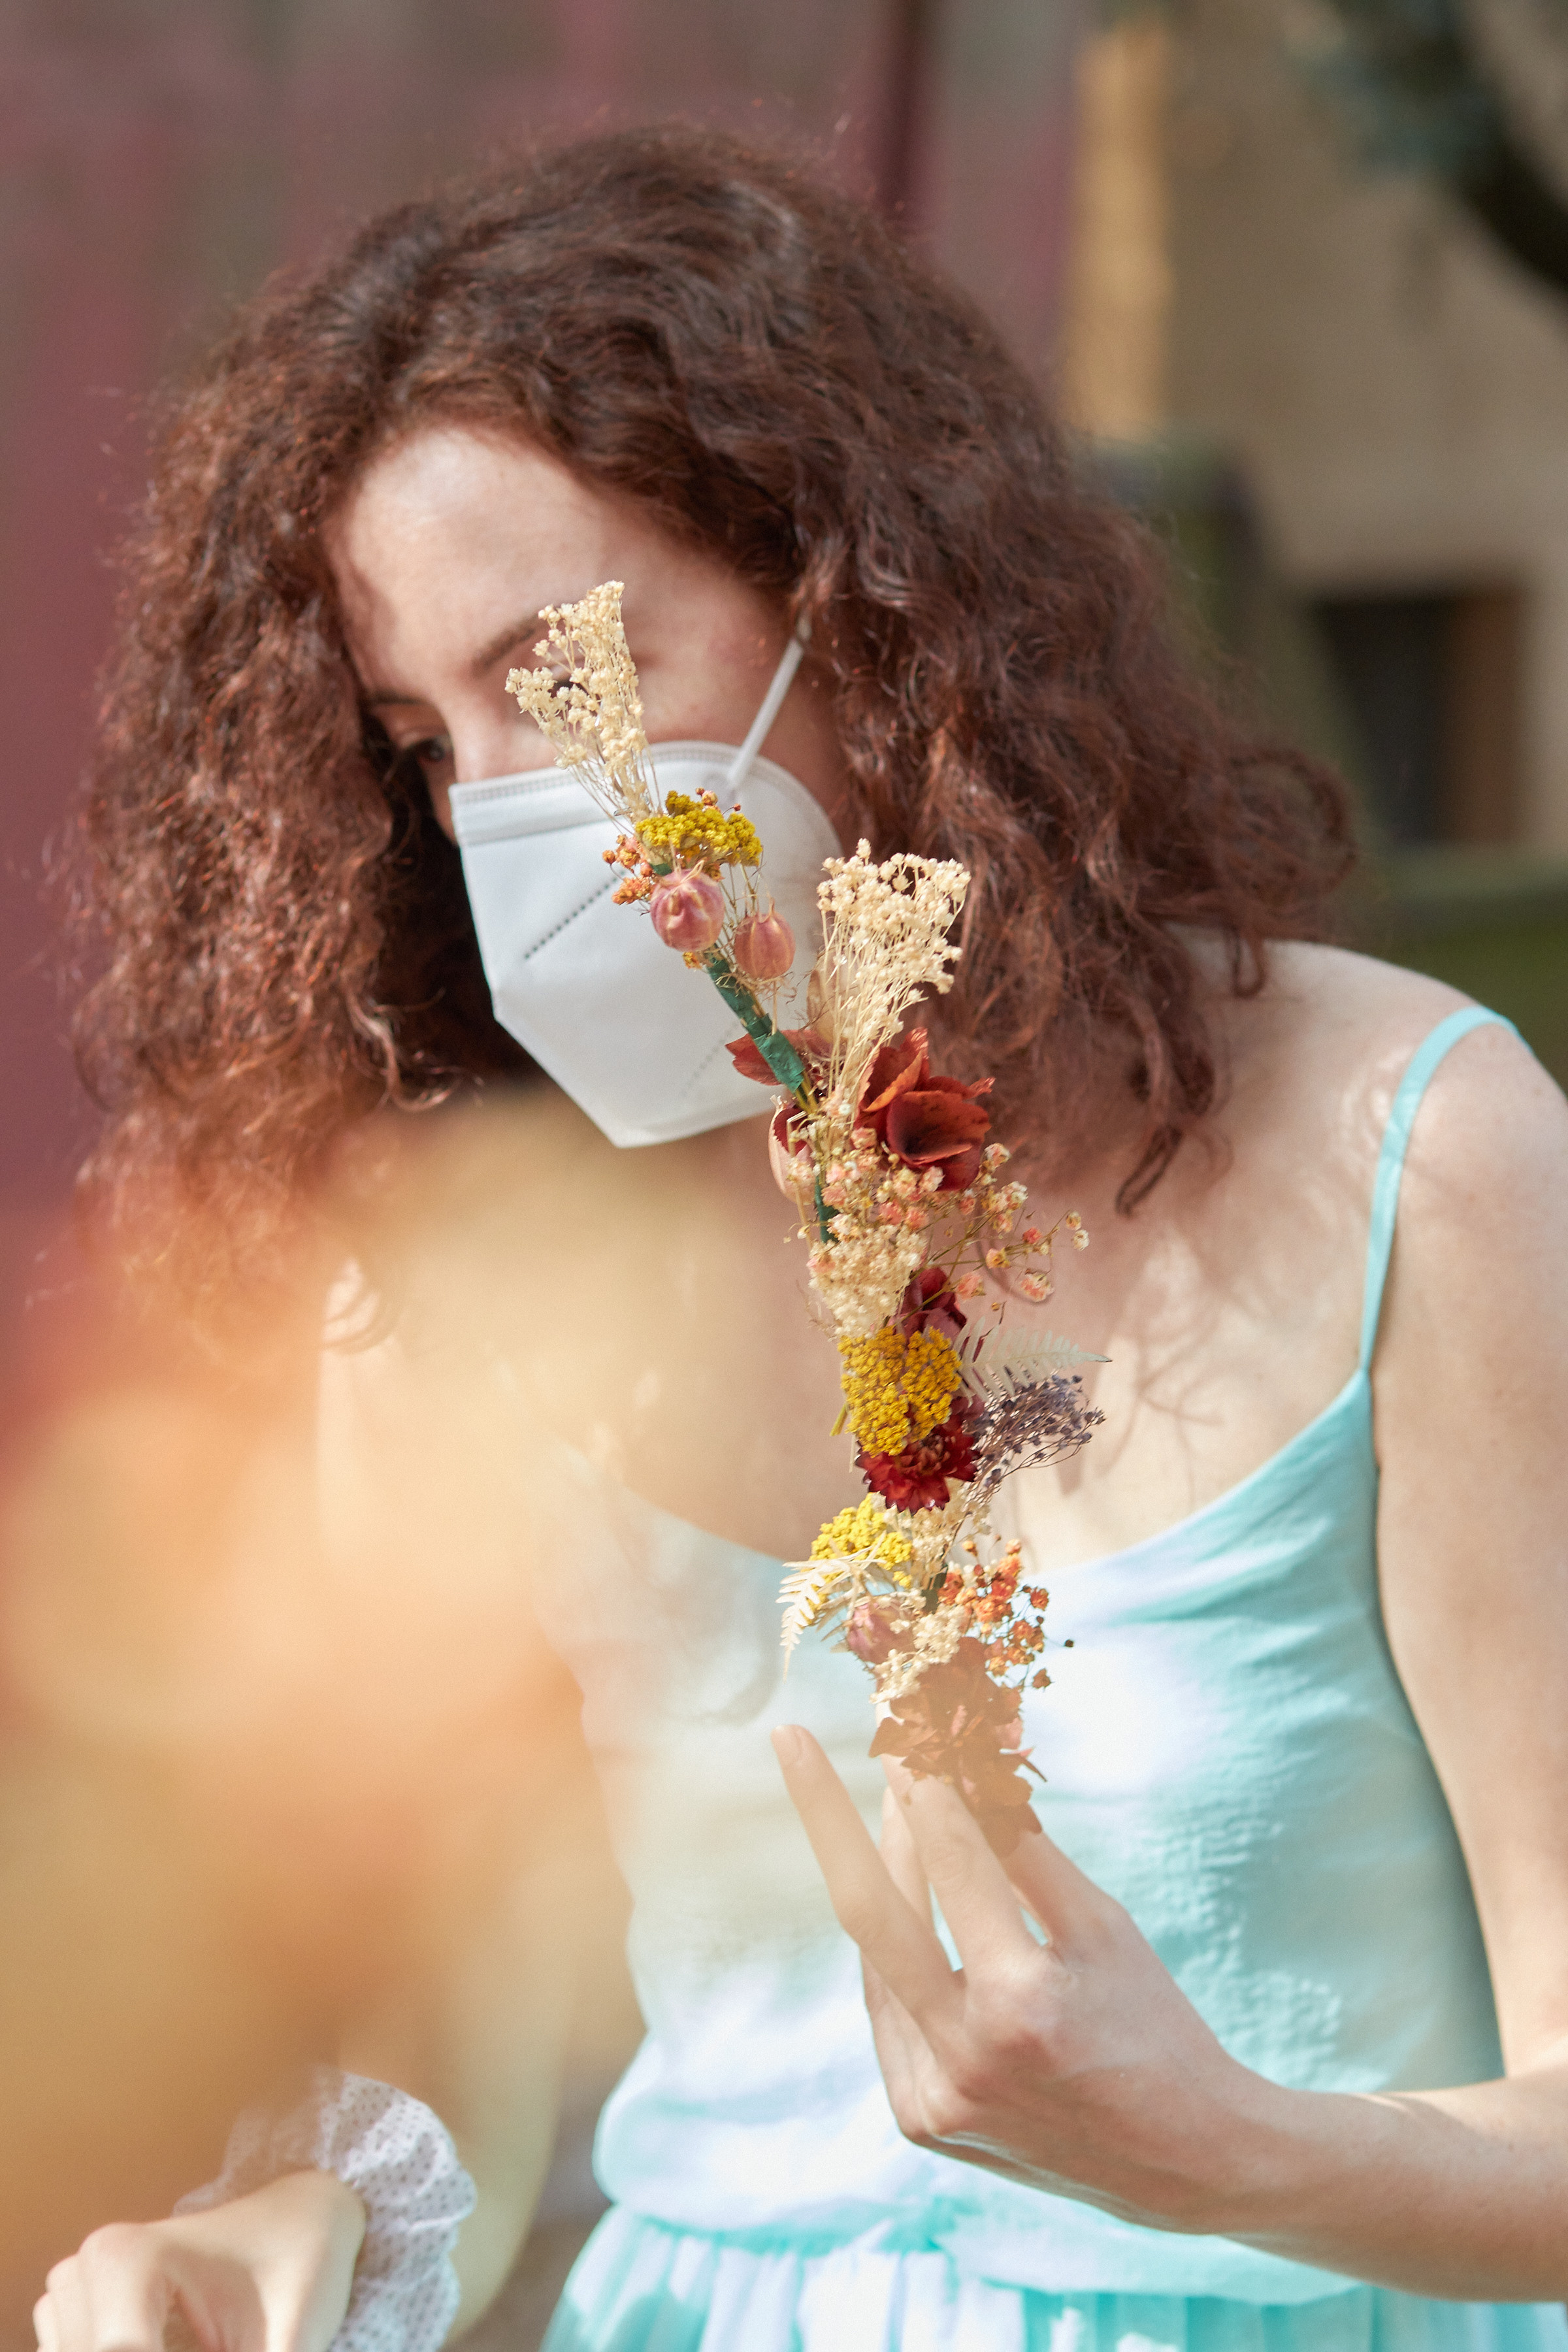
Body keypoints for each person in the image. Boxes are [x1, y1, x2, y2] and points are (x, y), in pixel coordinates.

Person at [33, 124, 1568, 2352]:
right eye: (428, 745)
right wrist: (292, 2221)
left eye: (568, 670)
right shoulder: (471, 1287)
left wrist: (1238, 2153)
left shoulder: (1413, 1153)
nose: (514, 810)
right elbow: (448, 2036)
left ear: (859, 594)